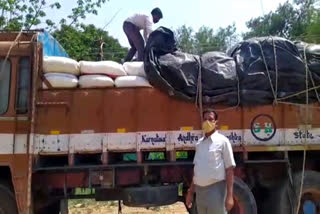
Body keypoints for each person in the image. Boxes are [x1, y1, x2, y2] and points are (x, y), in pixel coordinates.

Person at [186, 109, 236, 214]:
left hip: (216, 190)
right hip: (199, 192)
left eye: (210, 119)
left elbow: (230, 170)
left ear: (216, 122)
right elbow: (197, 170)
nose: (207, 122)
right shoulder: (199, 144)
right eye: (205, 119)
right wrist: (190, 192)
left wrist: (230, 196)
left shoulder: (223, 142)